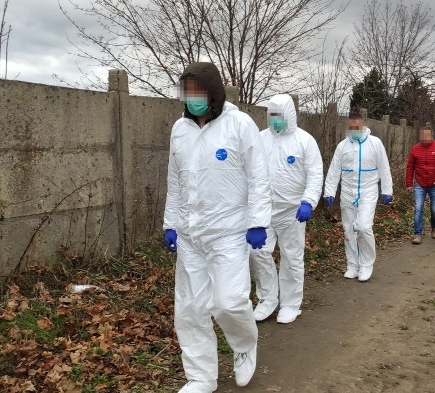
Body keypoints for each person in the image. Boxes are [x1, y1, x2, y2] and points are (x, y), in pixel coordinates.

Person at [163, 62, 271, 393]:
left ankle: (243, 344)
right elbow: (174, 180)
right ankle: (201, 377)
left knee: (229, 302)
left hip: (229, 232)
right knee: (191, 309)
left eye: (199, 91)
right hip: (190, 234)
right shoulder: (179, 129)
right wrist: (170, 224)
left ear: (214, 92)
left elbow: (258, 175)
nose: (193, 98)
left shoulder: (239, 124)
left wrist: (258, 222)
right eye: (188, 92)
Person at [249, 94, 323, 324]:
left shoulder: (305, 141)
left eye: (279, 116)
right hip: (264, 210)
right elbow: (250, 173)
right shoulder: (260, 139)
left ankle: (290, 304)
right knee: (257, 252)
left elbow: (315, 173)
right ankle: (267, 299)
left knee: (292, 257)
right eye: (272, 115)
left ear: (289, 115)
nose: (275, 120)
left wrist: (308, 201)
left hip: (293, 211)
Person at [324, 113, 393, 282]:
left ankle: (366, 264)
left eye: (357, 127)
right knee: (349, 230)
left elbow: (384, 168)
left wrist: (387, 190)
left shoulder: (375, 143)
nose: (354, 130)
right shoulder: (342, 146)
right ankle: (352, 265)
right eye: (351, 127)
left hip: (368, 191)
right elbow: (334, 171)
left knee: (363, 227)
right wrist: (329, 192)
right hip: (347, 192)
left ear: (363, 125)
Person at [405, 126, 435, 244]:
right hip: (419, 183)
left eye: (427, 136)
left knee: (434, 210)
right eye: (423, 136)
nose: (425, 138)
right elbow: (410, 167)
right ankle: (417, 234)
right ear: (420, 136)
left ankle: (434, 227)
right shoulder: (414, 149)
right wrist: (409, 183)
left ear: (431, 136)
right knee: (418, 208)